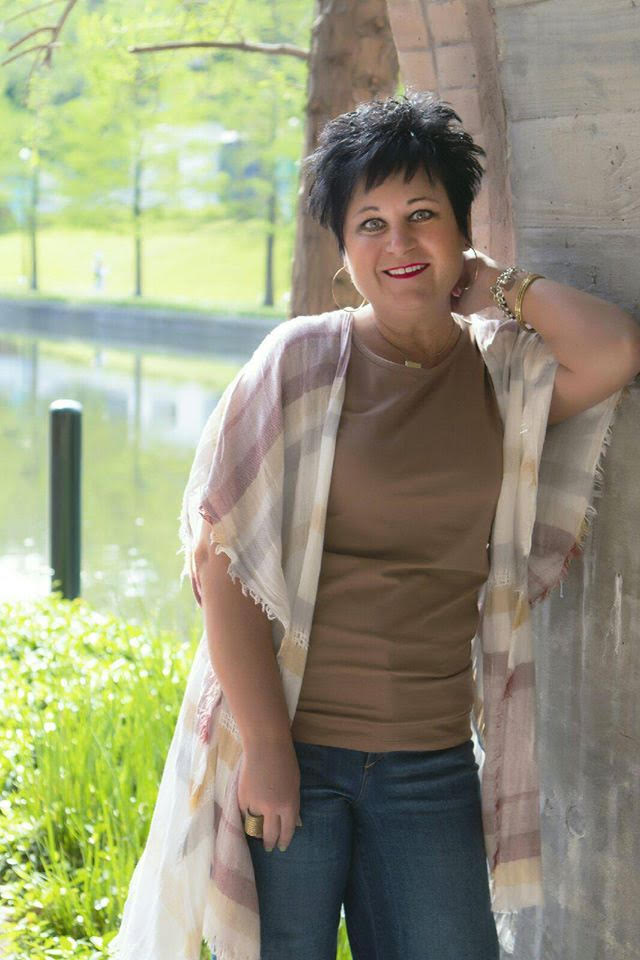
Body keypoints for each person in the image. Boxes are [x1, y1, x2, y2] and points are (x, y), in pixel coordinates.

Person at [109, 92, 639, 960]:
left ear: (461, 229)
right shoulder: (299, 363)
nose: (399, 243)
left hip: (430, 761)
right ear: (343, 248)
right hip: (294, 751)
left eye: (423, 215)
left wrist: (498, 285)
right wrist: (268, 749)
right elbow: (221, 564)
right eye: (371, 224)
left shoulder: (502, 377)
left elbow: (613, 349)